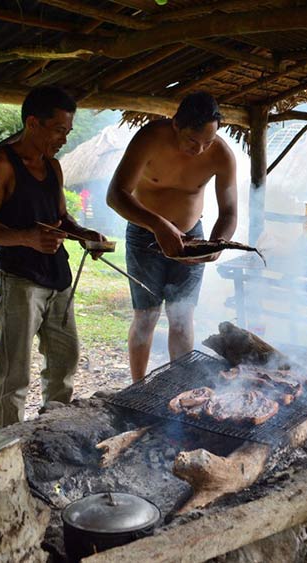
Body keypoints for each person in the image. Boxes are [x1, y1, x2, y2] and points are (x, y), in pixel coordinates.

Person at [0, 85, 107, 429]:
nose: (63, 138)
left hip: (58, 279)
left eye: (67, 130)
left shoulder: (55, 167)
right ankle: (9, 442)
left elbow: (60, 217)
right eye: (58, 129)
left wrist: (84, 236)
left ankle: (54, 430)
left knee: (65, 359)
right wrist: (26, 239)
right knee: (14, 371)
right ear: (33, 123)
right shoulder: (0, 165)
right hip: (18, 282)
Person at [106, 91, 237, 382]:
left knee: (181, 317)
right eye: (193, 141)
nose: (200, 150)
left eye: (208, 142)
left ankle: (180, 386)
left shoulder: (222, 155)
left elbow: (229, 213)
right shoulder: (150, 139)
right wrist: (159, 225)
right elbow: (116, 196)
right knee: (147, 315)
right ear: (177, 124)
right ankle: (138, 384)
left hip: (192, 239)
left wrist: (217, 243)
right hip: (144, 236)